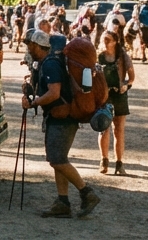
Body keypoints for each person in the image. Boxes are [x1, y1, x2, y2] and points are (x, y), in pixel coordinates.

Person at [22, 29, 100, 218]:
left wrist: (34, 102)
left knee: (57, 160)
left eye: (29, 44)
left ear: (36, 45)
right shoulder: (48, 62)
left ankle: (86, 192)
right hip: (60, 118)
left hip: (63, 119)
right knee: (59, 159)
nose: (27, 48)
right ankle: (62, 202)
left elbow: (54, 93)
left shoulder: (50, 65)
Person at [96, 29, 134, 175]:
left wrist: (126, 85)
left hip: (119, 95)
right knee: (103, 128)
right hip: (104, 96)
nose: (105, 43)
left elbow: (131, 76)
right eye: (103, 40)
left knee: (118, 130)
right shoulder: (98, 56)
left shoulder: (122, 56)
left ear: (115, 41)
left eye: (108, 40)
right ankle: (104, 160)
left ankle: (119, 163)